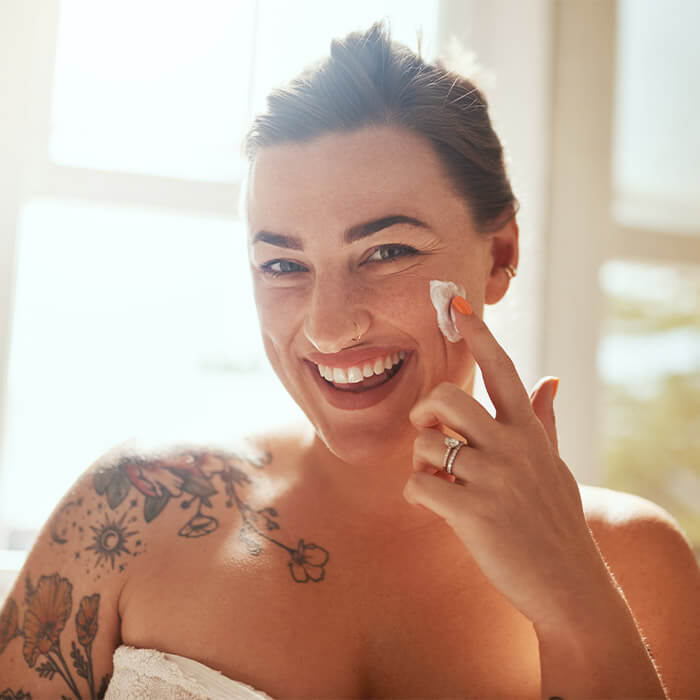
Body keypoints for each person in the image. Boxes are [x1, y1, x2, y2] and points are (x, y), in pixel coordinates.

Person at [1, 20, 698, 700]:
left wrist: (571, 596)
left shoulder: (634, 563)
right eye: (282, 263)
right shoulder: (130, 509)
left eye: (387, 252)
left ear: (501, 255)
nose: (329, 326)